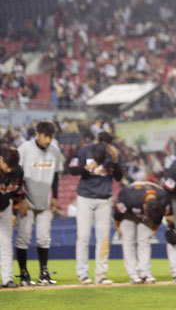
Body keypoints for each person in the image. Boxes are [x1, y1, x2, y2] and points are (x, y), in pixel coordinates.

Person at [68, 132, 124, 285]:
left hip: (104, 199)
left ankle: (101, 274)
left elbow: (119, 177)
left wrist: (116, 160)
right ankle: (82, 274)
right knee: (84, 237)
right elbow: (72, 169)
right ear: (97, 140)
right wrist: (85, 168)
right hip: (85, 197)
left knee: (103, 238)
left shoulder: (114, 154)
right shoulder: (85, 150)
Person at [16, 121, 63, 286]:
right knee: (23, 238)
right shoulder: (25, 149)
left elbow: (56, 176)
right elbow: (16, 174)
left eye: (51, 137)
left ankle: (44, 273)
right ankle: (23, 274)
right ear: (38, 134)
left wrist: (55, 197)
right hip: (26, 200)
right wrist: (20, 198)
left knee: (44, 238)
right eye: (45, 136)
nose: (48, 140)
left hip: (45, 200)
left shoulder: (55, 151)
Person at [113, 181, 171, 284]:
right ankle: (133, 274)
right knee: (128, 240)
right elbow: (118, 213)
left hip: (147, 211)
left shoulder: (163, 198)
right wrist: (117, 225)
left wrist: (155, 228)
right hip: (128, 213)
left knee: (144, 241)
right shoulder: (129, 196)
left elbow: (159, 215)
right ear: (144, 206)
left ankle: (145, 273)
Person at [0, 146, 24, 288]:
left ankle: (7, 279)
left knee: (6, 244)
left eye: (12, 167)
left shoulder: (18, 171)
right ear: (1, 160)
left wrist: (14, 213)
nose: (10, 170)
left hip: (5, 208)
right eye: (8, 167)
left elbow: (17, 194)